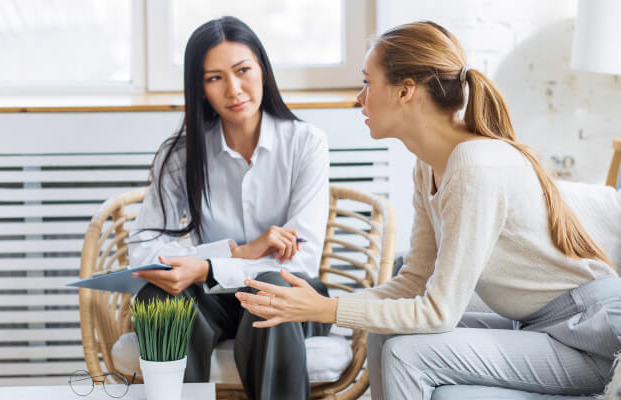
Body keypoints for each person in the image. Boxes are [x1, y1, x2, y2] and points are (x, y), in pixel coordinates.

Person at [236, 21, 621, 399]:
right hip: (538, 326)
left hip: (592, 338)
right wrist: (323, 306)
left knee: (409, 354)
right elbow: (415, 282)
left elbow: (439, 313)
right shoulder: (427, 165)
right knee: (387, 331)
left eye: (368, 83)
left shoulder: (475, 164)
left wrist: (327, 309)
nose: (359, 98)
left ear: (406, 91)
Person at [127, 16, 331, 400]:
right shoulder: (180, 154)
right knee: (158, 298)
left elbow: (301, 265)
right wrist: (237, 252)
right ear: (200, 88)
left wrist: (208, 265)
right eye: (215, 78)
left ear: (263, 72)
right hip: (214, 300)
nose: (234, 89)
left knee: (270, 291)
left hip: (291, 298)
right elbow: (141, 251)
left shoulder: (306, 143)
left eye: (243, 71)